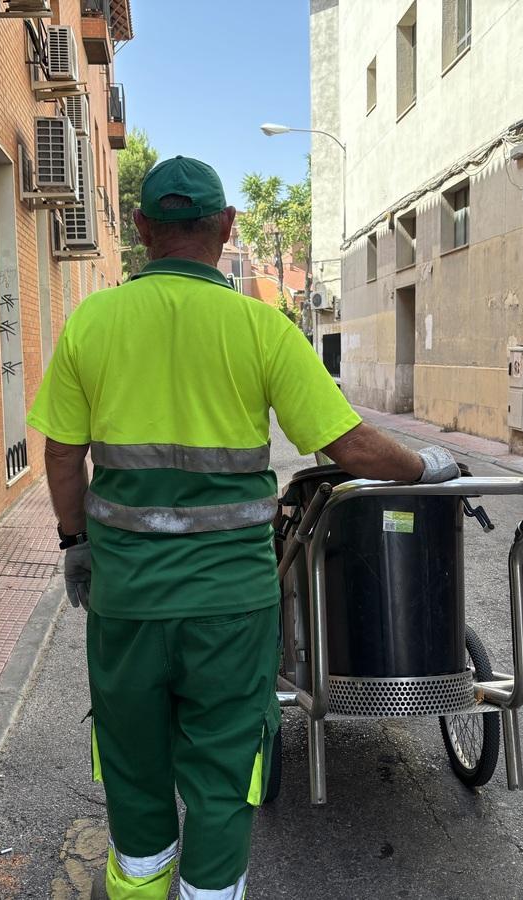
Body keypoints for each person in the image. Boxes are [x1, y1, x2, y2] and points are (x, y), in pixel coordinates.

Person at [27, 156, 459, 899]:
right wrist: (425, 469)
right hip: (233, 605)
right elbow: (349, 445)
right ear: (227, 229)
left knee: (135, 765)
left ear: (140, 229)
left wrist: (76, 544)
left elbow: (62, 451)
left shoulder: (92, 322)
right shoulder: (262, 326)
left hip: (128, 602)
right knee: (224, 774)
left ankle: (138, 884)